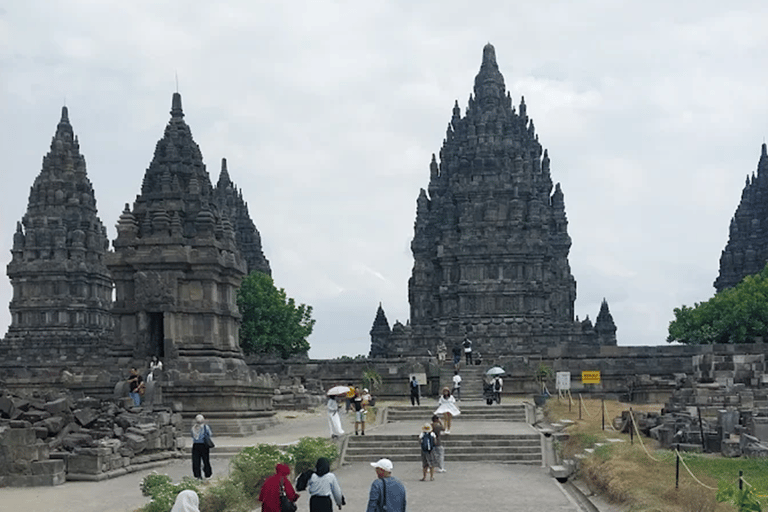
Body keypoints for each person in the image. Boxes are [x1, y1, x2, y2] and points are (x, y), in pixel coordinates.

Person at [191, 414, 213, 480]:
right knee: (206, 460)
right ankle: (207, 474)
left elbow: (192, 436)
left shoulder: (193, 428)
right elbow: (210, 434)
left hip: (196, 445)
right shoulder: (206, 427)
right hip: (204, 445)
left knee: (196, 461)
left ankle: (197, 475)